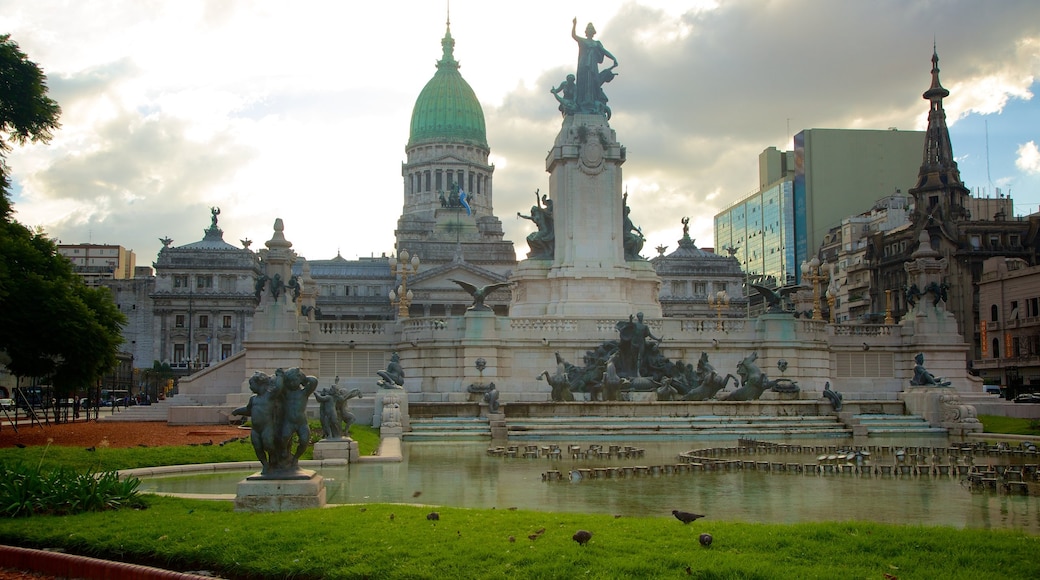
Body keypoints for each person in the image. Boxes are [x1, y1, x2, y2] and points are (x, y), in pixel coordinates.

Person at [571, 18, 618, 114]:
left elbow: (604, 51)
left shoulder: (597, 43)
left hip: (593, 66)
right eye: (588, 30)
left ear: (593, 32)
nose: (590, 31)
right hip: (583, 65)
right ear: (586, 32)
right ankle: (583, 103)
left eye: (591, 30)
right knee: (583, 83)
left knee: (594, 82)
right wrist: (574, 24)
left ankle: (591, 103)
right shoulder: (583, 41)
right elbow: (574, 36)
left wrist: (613, 58)